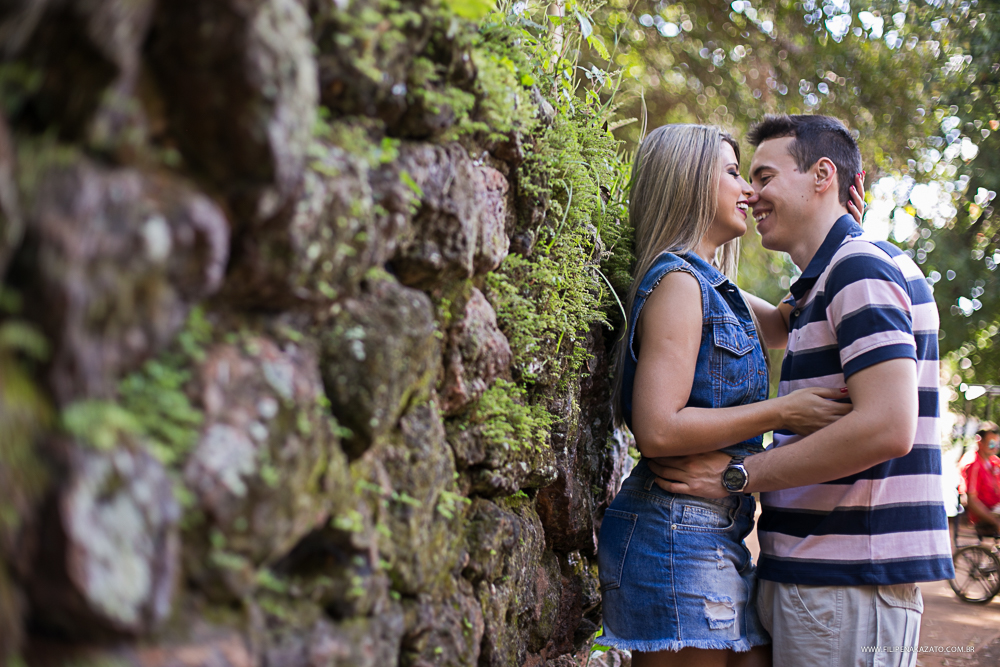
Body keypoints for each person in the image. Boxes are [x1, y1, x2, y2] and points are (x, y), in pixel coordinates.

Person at [648, 114, 954, 667]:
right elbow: (735, 311)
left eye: (764, 176)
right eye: (744, 177)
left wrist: (737, 476)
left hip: (848, 576)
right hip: (816, 575)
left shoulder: (858, 269)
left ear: (822, 175)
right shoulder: (831, 279)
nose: (752, 193)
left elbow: (888, 425)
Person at [595, 124, 857, 667]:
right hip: (673, 530)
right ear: (690, 182)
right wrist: (784, 411)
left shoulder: (714, 285)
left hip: (717, 529)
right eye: (734, 173)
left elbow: (788, 321)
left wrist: (842, 228)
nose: (750, 191)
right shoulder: (677, 285)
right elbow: (658, 428)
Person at [963, 421, 1000, 535]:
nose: (994, 447)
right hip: (986, 515)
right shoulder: (973, 463)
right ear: (980, 442)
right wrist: (995, 522)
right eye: (991, 443)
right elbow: (972, 501)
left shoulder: (995, 462)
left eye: (997, 444)